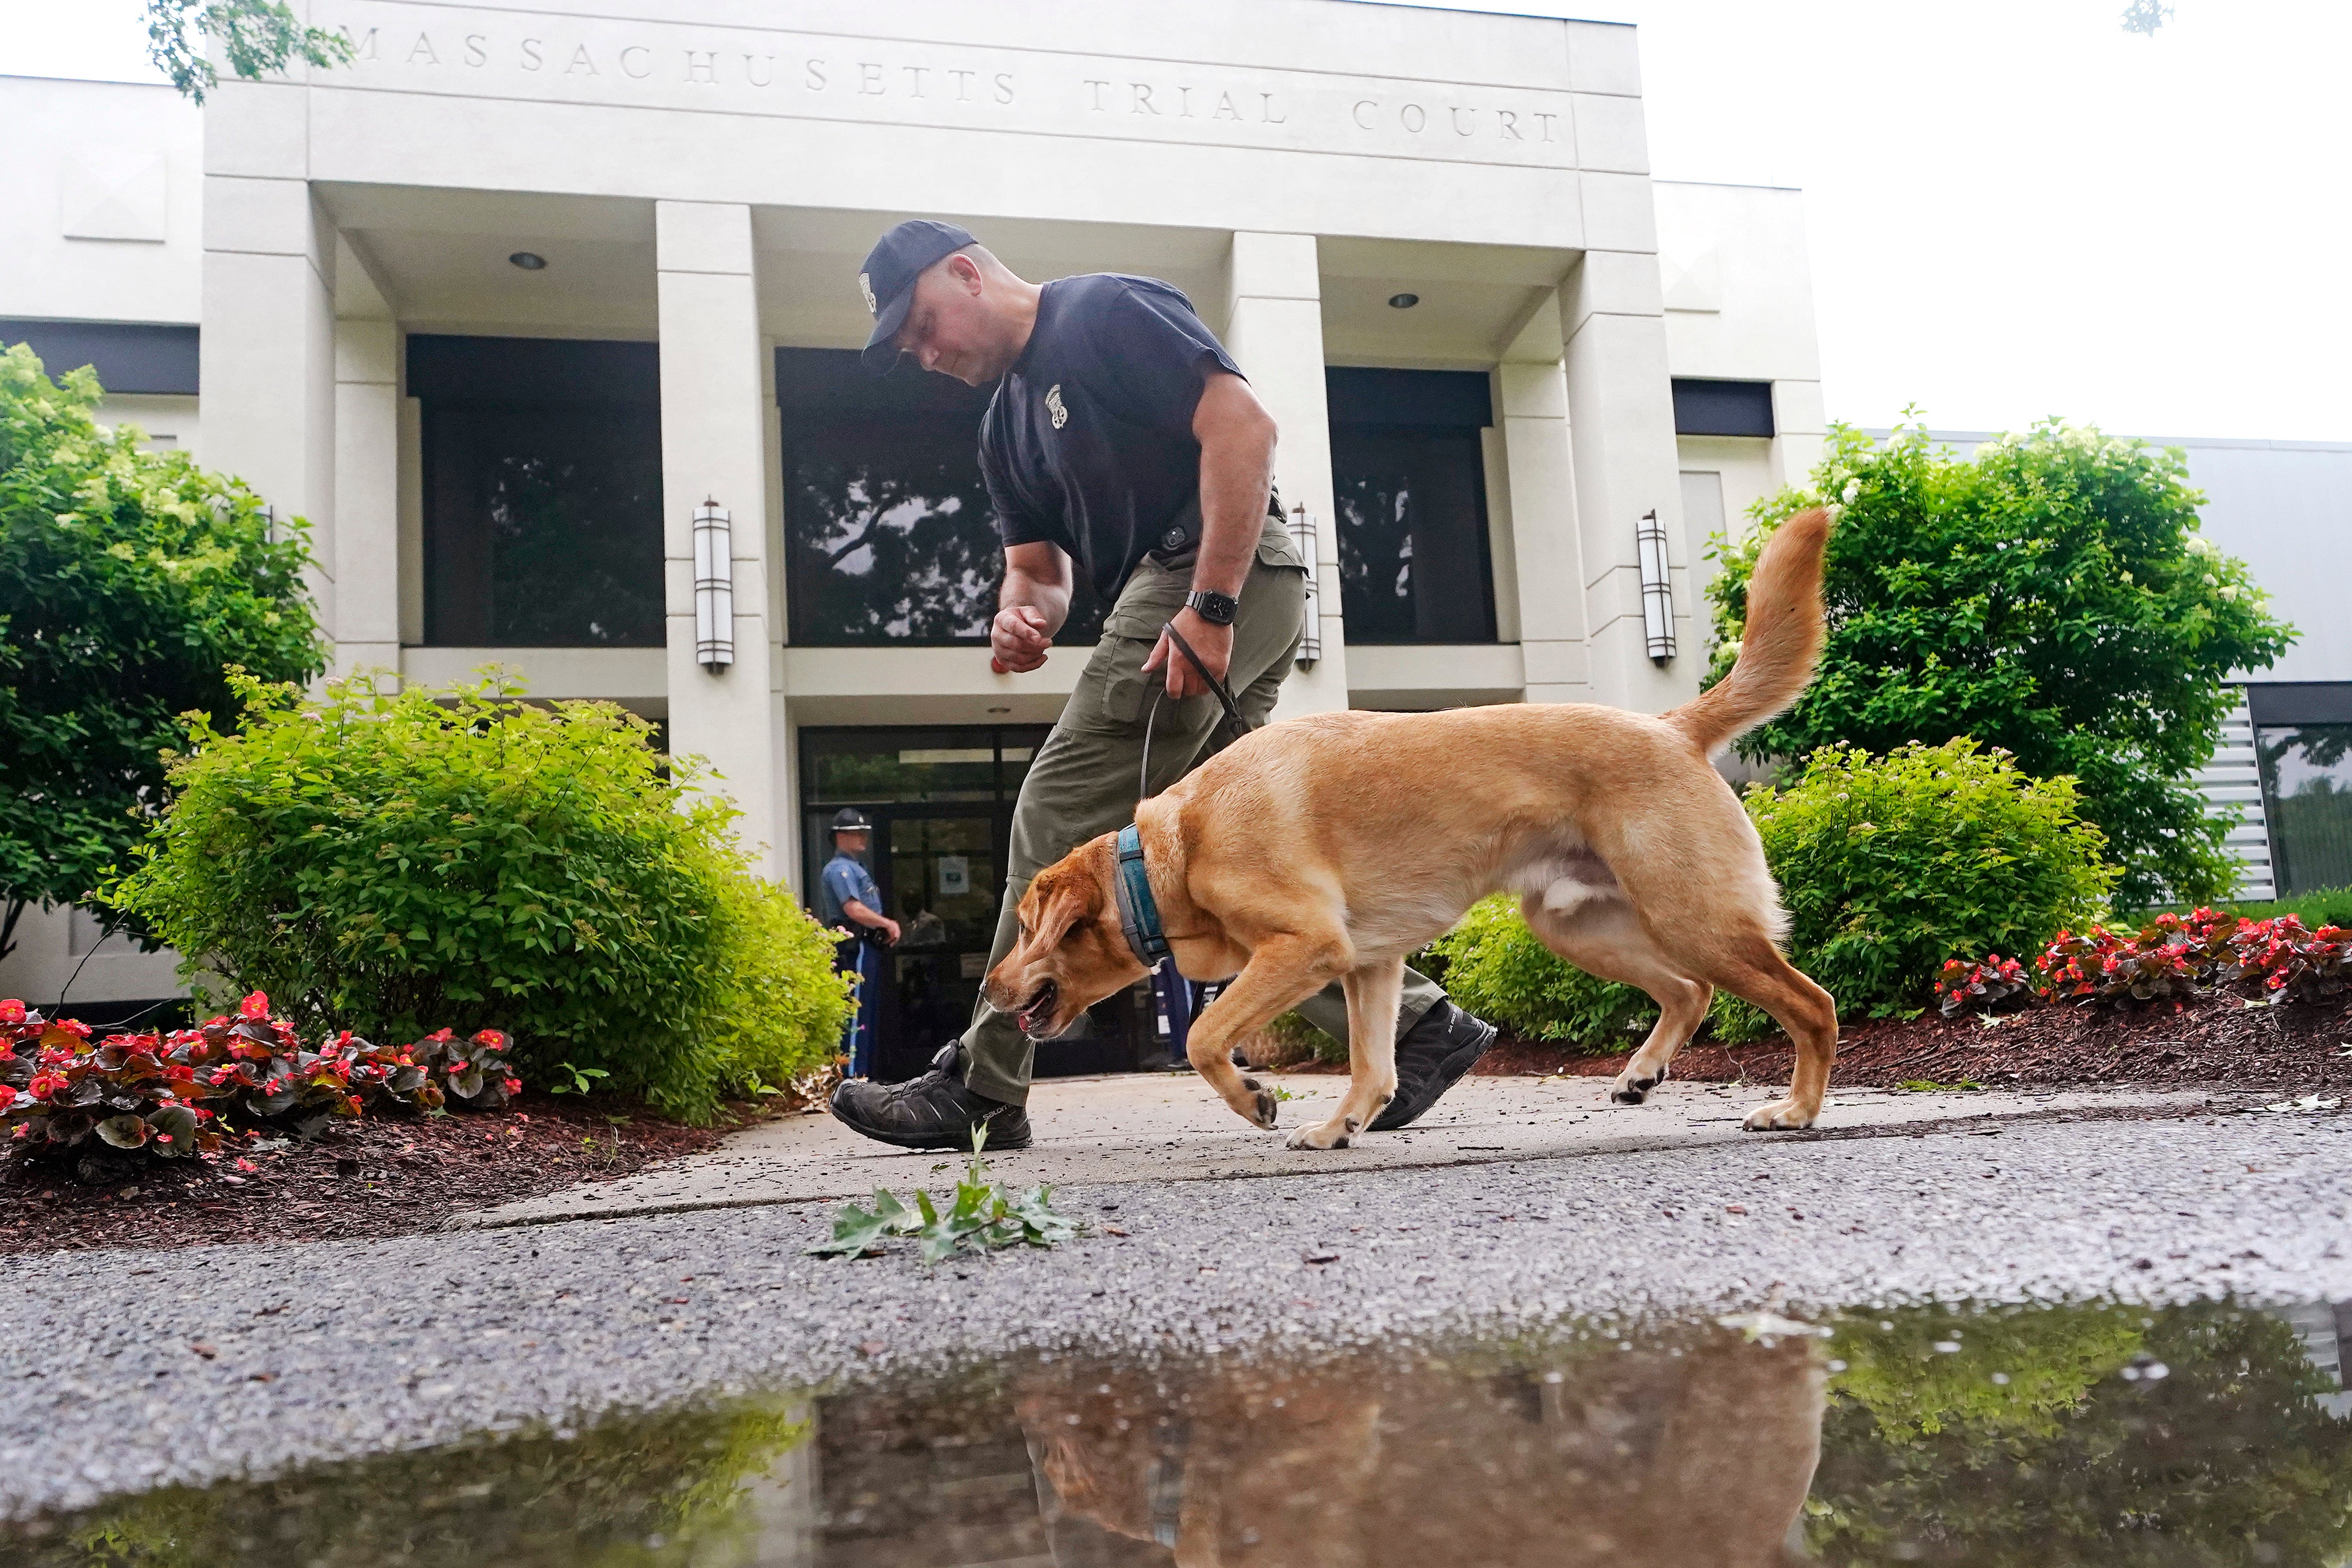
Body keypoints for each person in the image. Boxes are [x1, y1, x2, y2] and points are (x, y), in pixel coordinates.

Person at [829, 220, 1495, 1152]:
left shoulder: (1101, 310)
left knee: (1056, 808)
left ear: (967, 274)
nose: (924, 352)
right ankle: (1422, 1029)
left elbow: (1243, 426)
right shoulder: (1002, 427)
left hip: (1212, 567)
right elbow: (1038, 566)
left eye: (923, 324)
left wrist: (1212, 604)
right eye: (906, 346)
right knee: (1233, 860)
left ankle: (982, 1086)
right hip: (1189, 590)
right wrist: (1024, 614)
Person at [815, 807, 897, 1079]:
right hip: (855, 946)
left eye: (864, 832)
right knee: (855, 1011)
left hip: (867, 945)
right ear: (840, 837)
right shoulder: (840, 869)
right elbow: (852, 909)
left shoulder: (856, 867)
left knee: (866, 1013)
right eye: (856, 832)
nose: (863, 837)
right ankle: (851, 1078)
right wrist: (886, 923)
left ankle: (862, 1074)